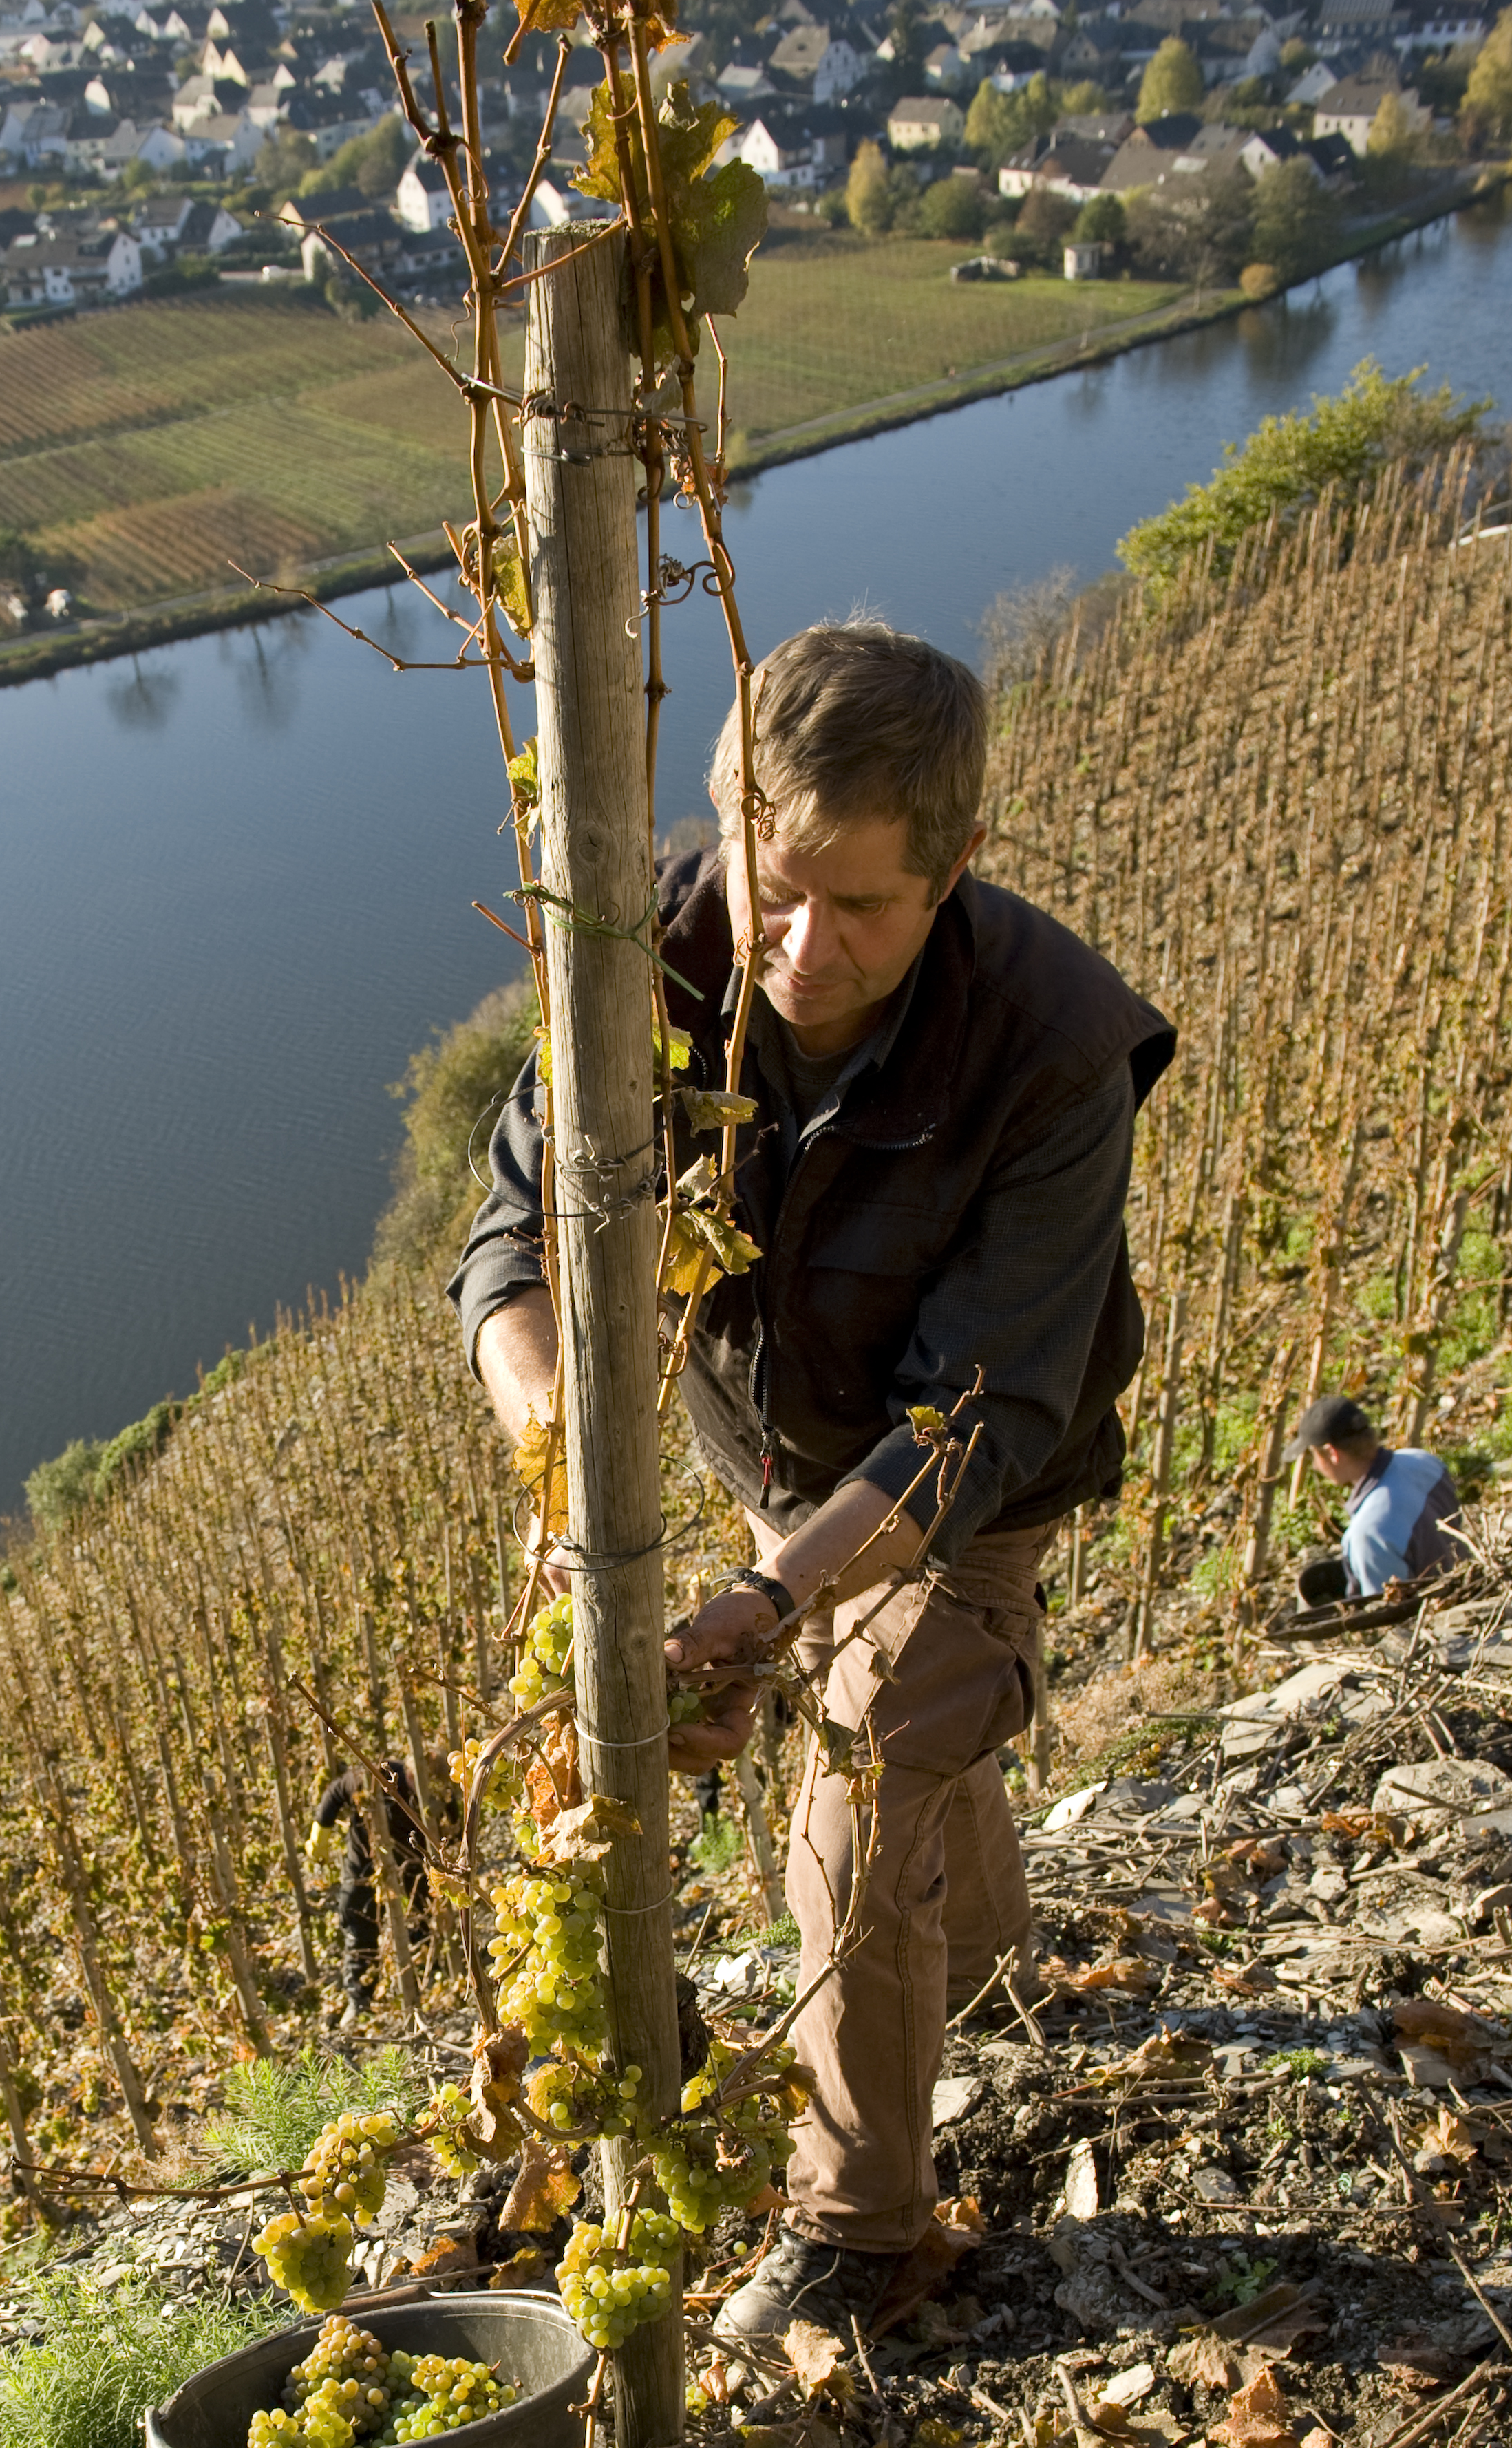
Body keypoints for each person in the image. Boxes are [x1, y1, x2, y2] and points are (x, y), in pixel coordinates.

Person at [451, 619, 1177, 2347]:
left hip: (968, 1487)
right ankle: (981, 1965)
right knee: (916, 1744)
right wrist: (566, 1472)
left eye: (859, 906)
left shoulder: (1051, 1049)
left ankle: (859, 2235)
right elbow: (503, 1248)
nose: (798, 946)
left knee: (851, 1787)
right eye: (774, 887)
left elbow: (973, 1417)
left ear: (959, 862)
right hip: (767, 1461)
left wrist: (773, 1602)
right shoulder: (647, 965)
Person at [1291, 1396, 1462, 1605]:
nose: (1316, 1467)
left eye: (1313, 1456)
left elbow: (1387, 1618)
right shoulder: (1424, 1462)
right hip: (1465, 1583)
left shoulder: (1369, 1534)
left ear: (1332, 1453)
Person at [306, 1757, 436, 2022]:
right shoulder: (379, 1776)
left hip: (416, 1860)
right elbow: (336, 1790)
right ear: (409, 1771)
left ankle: (427, 1972)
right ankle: (359, 1998)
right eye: (414, 1781)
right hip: (365, 1855)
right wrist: (321, 1831)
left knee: (425, 1911)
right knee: (357, 1916)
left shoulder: (437, 1800)